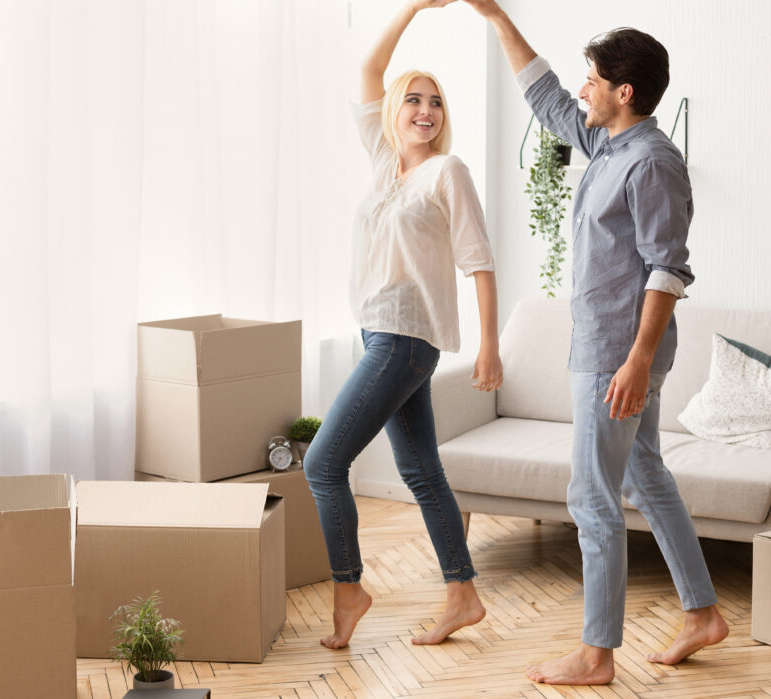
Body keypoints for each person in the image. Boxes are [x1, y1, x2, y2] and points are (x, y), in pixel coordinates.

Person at [463, 0, 728, 686]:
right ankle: (702, 612)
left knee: (591, 498)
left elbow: (668, 268)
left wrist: (637, 360)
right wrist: (493, 16)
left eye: (592, 78)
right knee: (646, 476)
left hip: (620, 354)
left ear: (624, 91)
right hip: (612, 350)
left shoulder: (653, 163)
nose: (582, 87)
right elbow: (545, 96)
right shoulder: (606, 143)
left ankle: (595, 653)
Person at [303, 0, 501, 650]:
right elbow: (369, 65)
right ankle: (462, 592)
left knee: (324, 464)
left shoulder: (448, 171)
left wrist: (489, 347)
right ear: (395, 111)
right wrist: (415, 5)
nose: (424, 110)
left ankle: (348, 586)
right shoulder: (386, 163)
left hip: (404, 338)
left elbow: (478, 259)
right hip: (379, 334)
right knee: (421, 469)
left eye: (435, 102)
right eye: (413, 99)